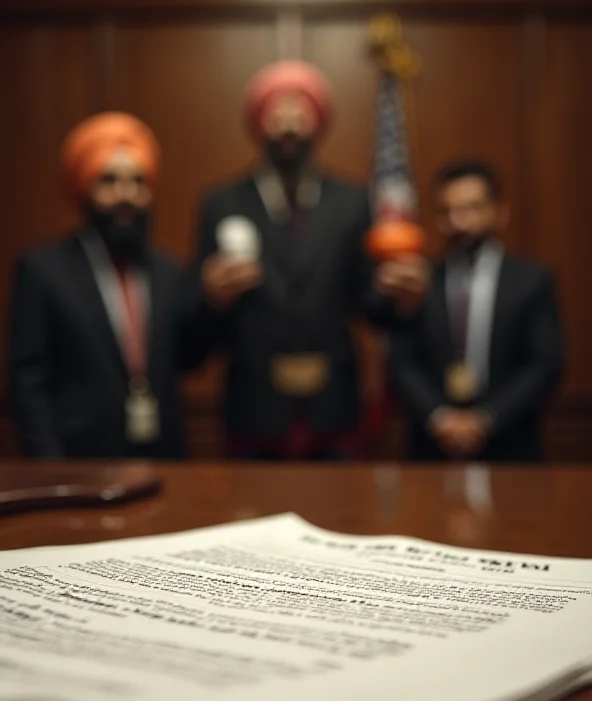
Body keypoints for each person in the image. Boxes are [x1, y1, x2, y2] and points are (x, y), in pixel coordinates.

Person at [194, 60, 428, 460]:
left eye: (299, 112)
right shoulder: (222, 202)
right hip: (254, 406)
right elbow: (198, 322)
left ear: (317, 122)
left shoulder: (353, 202)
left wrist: (402, 300)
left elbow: (368, 301)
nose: (289, 125)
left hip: (332, 406)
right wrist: (211, 296)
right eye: (276, 114)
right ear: (257, 123)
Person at [8, 112, 212, 459]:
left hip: (164, 459)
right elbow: (28, 386)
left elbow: (190, 358)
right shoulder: (42, 271)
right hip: (80, 463)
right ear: (83, 188)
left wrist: (211, 302)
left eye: (138, 181)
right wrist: (50, 470)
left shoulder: (170, 271)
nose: (126, 195)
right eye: (109, 181)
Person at [390, 160, 563, 462]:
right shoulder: (419, 282)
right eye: (447, 211)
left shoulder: (532, 281)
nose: (459, 221)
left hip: (511, 446)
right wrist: (439, 417)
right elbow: (401, 361)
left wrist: (486, 419)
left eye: (472, 208)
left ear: (499, 212)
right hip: (431, 449)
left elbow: (545, 364)